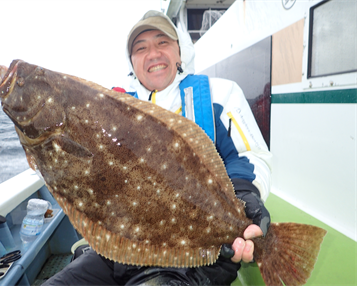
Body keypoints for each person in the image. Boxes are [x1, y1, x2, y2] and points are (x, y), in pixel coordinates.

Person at [43, 10, 272, 286]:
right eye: (141, 48)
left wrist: (245, 195)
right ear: (132, 61)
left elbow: (248, 156)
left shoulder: (218, 94)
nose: (153, 54)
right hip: (119, 250)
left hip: (194, 255)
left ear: (179, 52)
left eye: (162, 42)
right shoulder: (110, 107)